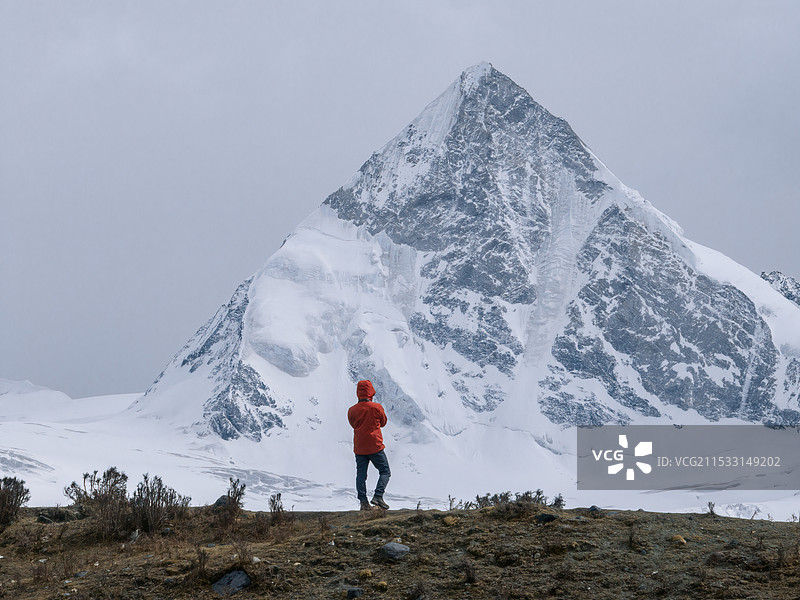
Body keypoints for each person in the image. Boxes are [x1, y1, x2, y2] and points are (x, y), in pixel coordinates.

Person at [347, 379, 391, 510]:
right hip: (375, 445)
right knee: (385, 471)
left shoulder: (352, 410)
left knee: (361, 475)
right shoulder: (377, 407)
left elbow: (353, 424)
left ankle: (363, 502)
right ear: (371, 391)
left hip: (360, 447)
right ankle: (378, 496)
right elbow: (383, 422)